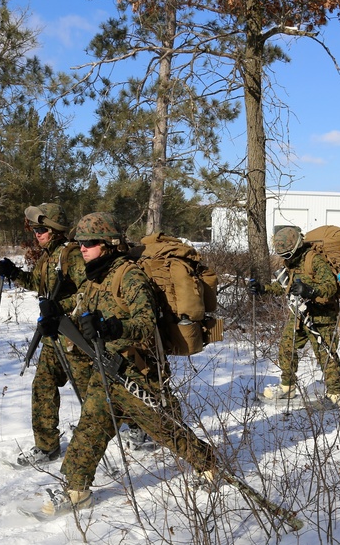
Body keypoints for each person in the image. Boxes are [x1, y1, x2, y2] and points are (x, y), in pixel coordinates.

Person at [42, 212, 216, 516]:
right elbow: (82, 304)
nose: (82, 248)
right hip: (108, 368)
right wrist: (56, 312)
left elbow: (145, 324)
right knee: (91, 425)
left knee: (165, 429)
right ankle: (75, 489)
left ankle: (207, 464)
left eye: (90, 242)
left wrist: (114, 328)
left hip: (137, 372)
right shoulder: (97, 275)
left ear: (108, 244)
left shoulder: (129, 275)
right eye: (80, 243)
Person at [0, 203, 88, 467]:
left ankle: (134, 426)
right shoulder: (48, 256)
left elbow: (90, 292)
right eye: (35, 229)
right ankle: (47, 446)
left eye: (41, 229)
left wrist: (62, 308)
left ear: (54, 229)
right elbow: (39, 285)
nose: (37, 234)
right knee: (43, 385)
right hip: (54, 333)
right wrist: (15, 274)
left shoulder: (71, 255)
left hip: (76, 336)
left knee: (92, 391)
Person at [249, 225, 340, 407]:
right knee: (286, 347)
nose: (286, 259)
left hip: (322, 316)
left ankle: (335, 393)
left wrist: (310, 290)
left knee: (325, 353)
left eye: (288, 255)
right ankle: (288, 386)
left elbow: (330, 286)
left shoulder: (313, 260)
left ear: (297, 247)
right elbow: (285, 286)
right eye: (283, 256)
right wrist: (264, 289)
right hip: (300, 313)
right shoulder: (291, 263)